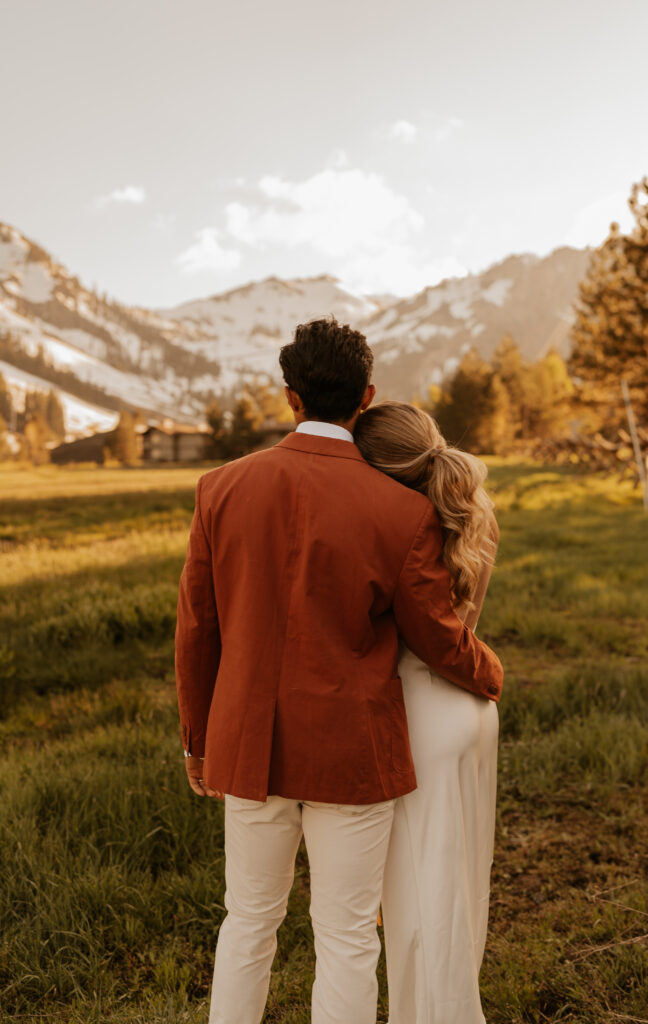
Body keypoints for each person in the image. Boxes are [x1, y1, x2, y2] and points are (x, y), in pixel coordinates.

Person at [174, 317, 503, 1024]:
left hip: (246, 746)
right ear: (367, 396)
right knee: (348, 937)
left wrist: (197, 741)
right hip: (352, 757)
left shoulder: (219, 488)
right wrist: (491, 674)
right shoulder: (400, 510)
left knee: (247, 923)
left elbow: (198, 630)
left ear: (290, 397)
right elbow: (438, 638)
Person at [355, 401, 500, 1024]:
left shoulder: (387, 525)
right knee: (463, 885)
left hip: (420, 715)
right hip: (470, 709)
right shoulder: (474, 514)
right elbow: (462, 630)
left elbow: (418, 637)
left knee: (420, 900)